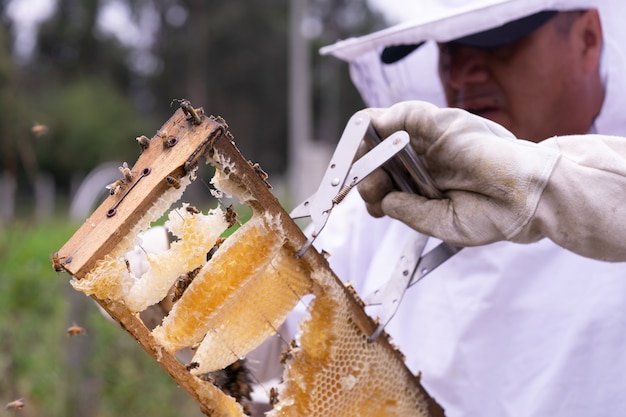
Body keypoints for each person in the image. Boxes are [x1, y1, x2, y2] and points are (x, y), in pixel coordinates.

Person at [311, 1, 626, 416]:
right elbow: (282, 340)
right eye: (448, 51)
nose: (462, 73)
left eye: (499, 42)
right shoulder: (384, 206)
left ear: (588, 39)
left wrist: (545, 184)